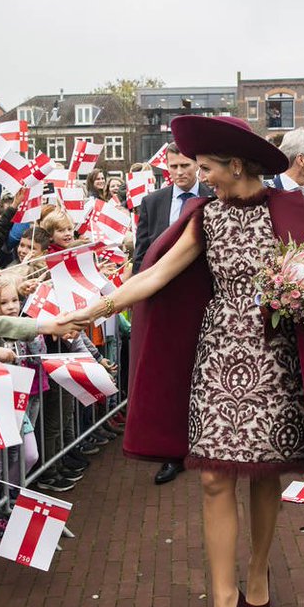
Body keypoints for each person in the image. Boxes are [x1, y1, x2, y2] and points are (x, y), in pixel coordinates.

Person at [64, 114, 304, 607]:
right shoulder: (205, 218)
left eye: (206, 168)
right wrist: (89, 310)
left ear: (235, 163)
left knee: (265, 473)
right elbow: (153, 276)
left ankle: (257, 571)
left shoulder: (295, 210)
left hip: (277, 359)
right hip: (218, 353)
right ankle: (223, 601)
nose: (201, 179)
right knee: (211, 477)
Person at [131, 142, 213, 485]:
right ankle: (171, 451)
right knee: (167, 377)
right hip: (163, 302)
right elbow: (141, 254)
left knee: (202, 371)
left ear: (197, 165)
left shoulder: (213, 199)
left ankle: (207, 438)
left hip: (203, 302)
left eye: (185, 166)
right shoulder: (152, 203)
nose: (180, 173)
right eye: (174, 167)